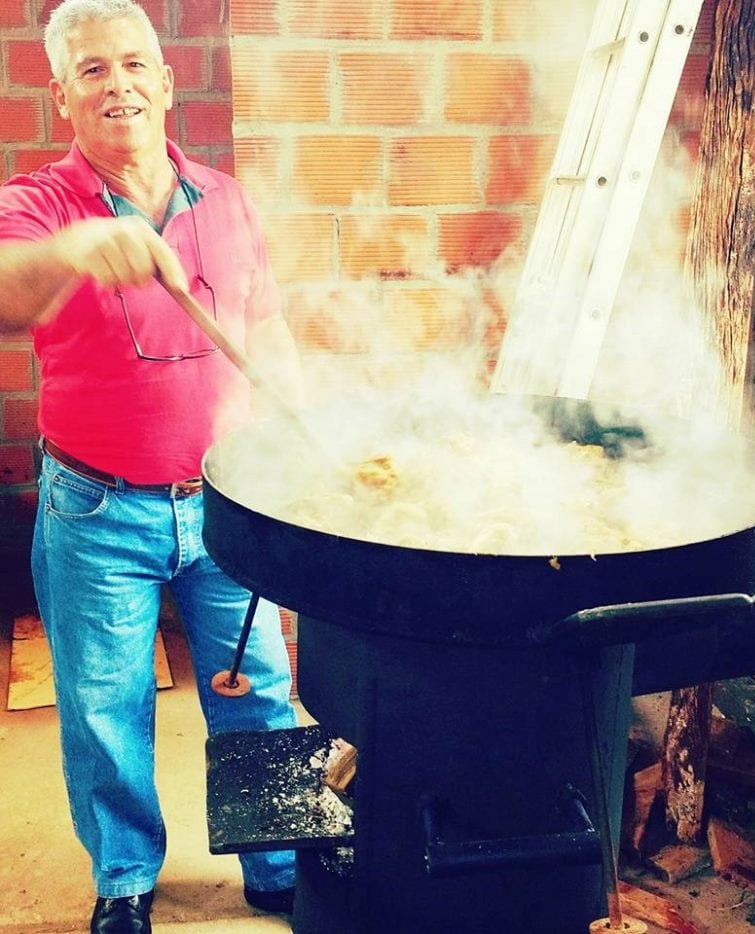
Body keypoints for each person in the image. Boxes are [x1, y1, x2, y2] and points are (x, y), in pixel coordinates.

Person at [0, 1, 303, 931]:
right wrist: (81, 247)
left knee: (259, 690)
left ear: (166, 83)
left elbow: (266, 325)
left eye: (135, 65)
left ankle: (279, 856)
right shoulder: (36, 206)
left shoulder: (225, 196)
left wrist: (302, 424)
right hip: (96, 509)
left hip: (226, 501)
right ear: (62, 95)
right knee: (104, 708)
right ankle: (126, 877)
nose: (118, 84)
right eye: (92, 70)